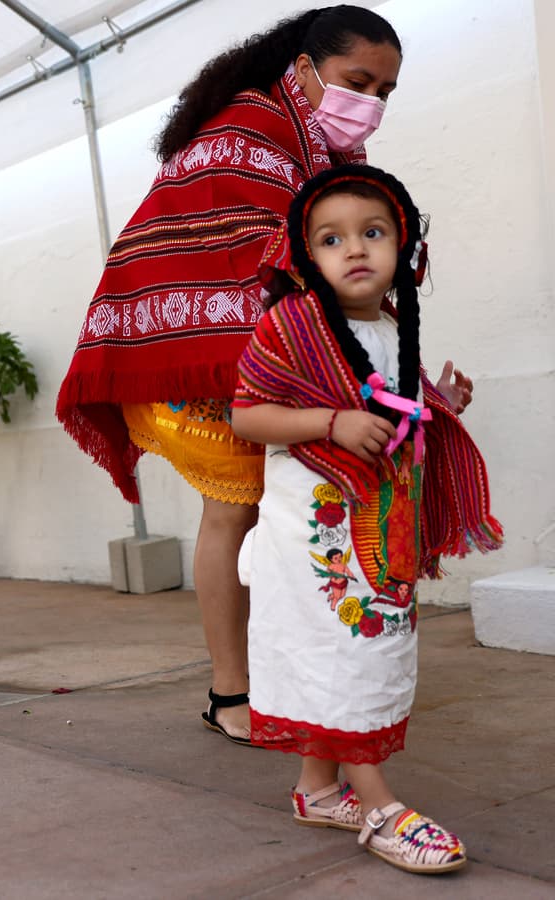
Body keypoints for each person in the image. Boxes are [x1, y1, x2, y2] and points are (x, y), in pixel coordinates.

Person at [54, 5, 450, 744]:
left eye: (386, 91)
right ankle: (230, 691)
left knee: (286, 513)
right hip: (198, 360)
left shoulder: (329, 156)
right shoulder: (247, 128)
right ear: (303, 70)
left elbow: (332, 266)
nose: (370, 104)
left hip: (265, 362)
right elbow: (249, 258)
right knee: (234, 511)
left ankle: (285, 677)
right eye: (356, 81)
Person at [230, 165, 500, 874]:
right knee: (349, 653)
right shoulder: (290, 326)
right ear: (305, 256)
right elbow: (247, 415)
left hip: (384, 535)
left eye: (371, 233)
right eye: (331, 238)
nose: (354, 249)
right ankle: (376, 802)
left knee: (360, 655)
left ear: (403, 247)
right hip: (316, 542)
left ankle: (316, 789)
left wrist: (437, 400)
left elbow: (397, 412)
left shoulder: (391, 328)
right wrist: (331, 422)